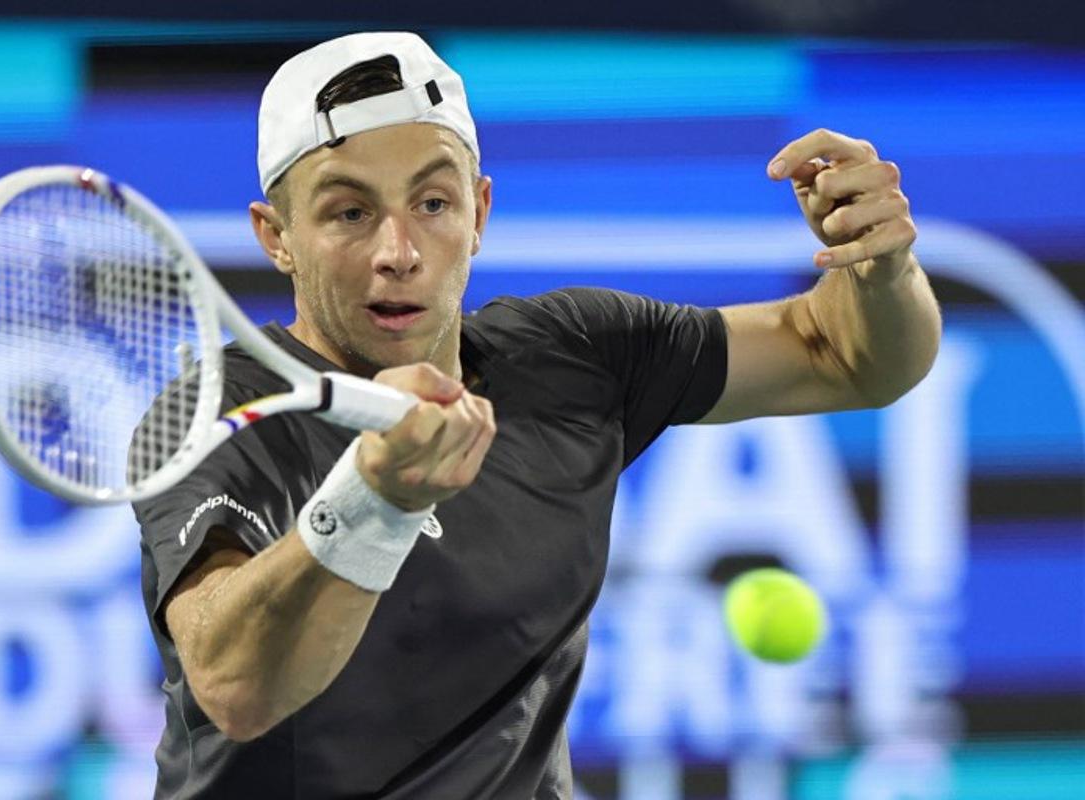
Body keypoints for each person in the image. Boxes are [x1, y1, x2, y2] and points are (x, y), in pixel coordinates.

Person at [134, 31, 941, 798]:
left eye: (433, 203)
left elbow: (849, 356)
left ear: (479, 213)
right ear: (275, 236)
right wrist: (373, 503)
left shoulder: (575, 357)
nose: (399, 251)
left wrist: (881, 268)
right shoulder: (221, 412)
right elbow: (234, 686)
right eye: (349, 213)